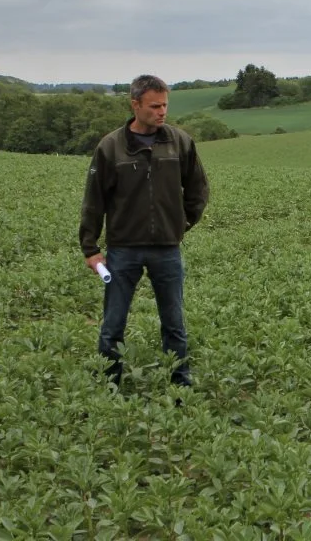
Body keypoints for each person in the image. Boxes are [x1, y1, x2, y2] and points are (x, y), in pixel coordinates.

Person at [79, 74, 210, 388]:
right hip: (123, 249)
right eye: (154, 106)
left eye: (165, 105)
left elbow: (198, 190)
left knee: (174, 323)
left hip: (167, 248)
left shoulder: (180, 142)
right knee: (113, 324)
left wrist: (181, 224)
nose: (162, 111)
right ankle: (109, 386)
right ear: (135, 105)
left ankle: (180, 387)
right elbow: (93, 200)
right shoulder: (110, 147)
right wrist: (90, 247)